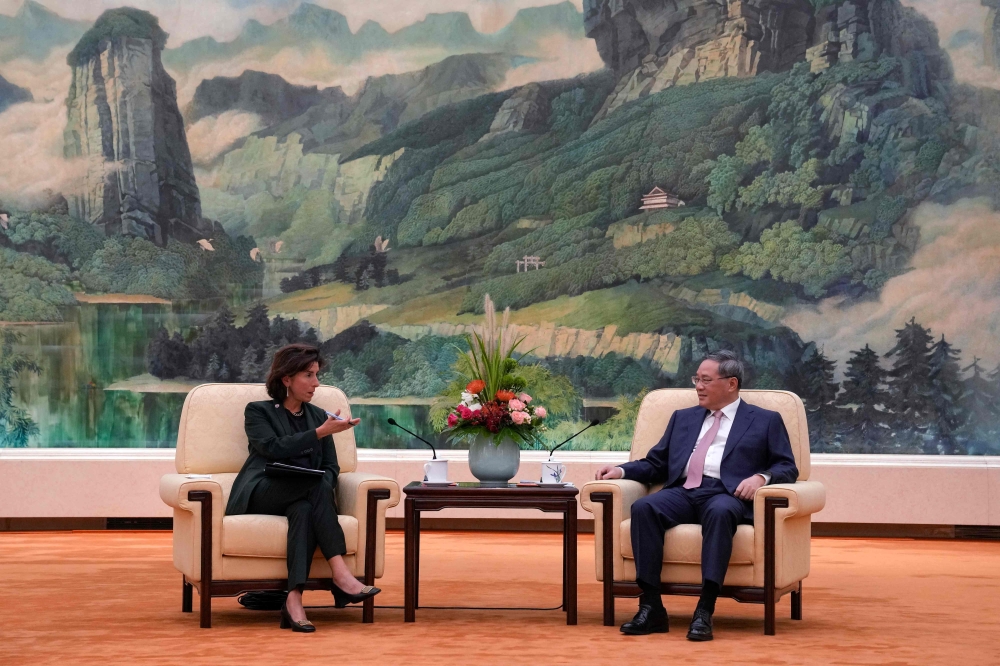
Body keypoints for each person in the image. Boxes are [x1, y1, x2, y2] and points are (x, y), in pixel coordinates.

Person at [594, 350, 797, 641]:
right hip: (684, 490)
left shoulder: (765, 420)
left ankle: (705, 609)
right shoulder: (683, 418)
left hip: (726, 493)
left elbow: (787, 466)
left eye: (706, 380)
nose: (698, 387)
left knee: (720, 512)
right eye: (696, 379)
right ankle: (651, 607)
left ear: (731, 384)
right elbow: (657, 463)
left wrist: (760, 478)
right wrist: (621, 471)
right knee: (644, 507)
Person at [225, 343, 378, 632]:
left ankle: (294, 599)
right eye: (308, 375)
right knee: (314, 485)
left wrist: (324, 485)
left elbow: (331, 466)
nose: (316, 383)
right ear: (287, 379)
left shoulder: (319, 416)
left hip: (304, 495)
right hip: (262, 491)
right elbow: (272, 448)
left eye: (317, 375)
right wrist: (319, 433)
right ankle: (341, 574)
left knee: (306, 506)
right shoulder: (259, 412)